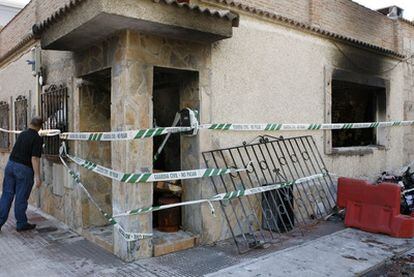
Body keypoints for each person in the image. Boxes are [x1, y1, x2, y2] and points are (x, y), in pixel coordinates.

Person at [0, 116, 43, 232]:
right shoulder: (37, 139)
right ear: (40, 127)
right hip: (24, 169)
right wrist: (37, 176)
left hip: (10, 165)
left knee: (6, 195)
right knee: (21, 197)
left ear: (30, 123)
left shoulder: (22, 134)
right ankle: (21, 223)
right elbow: (34, 158)